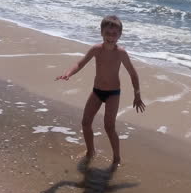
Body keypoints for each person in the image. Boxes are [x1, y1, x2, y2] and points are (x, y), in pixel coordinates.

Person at [55, 15, 145, 167]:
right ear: (101, 32)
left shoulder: (121, 53)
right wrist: (68, 73)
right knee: (85, 122)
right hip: (97, 91)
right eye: (107, 33)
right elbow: (80, 63)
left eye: (114, 34)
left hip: (113, 94)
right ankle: (91, 152)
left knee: (109, 127)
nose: (110, 37)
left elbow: (133, 73)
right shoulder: (96, 49)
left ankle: (116, 158)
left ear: (120, 35)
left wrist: (137, 95)